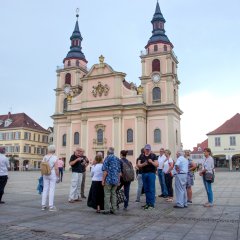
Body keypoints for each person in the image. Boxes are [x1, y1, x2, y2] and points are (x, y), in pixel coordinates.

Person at [137, 144, 158, 210]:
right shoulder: (141, 156)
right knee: (146, 189)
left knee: (151, 189)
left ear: (150, 149)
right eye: (146, 149)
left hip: (151, 174)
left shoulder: (153, 155)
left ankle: (151, 204)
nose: (147, 150)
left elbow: (157, 164)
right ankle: (147, 203)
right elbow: (138, 165)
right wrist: (144, 164)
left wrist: (151, 162)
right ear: (144, 149)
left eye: (148, 149)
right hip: (144, 173)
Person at [102, 147, 121, 214]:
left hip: (108, 180)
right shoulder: (117, 159)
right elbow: (119, 172)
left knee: (107, 194)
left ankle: (107, 209)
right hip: (115, 180)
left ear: (108, 152)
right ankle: (114, 209)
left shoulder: (107, 158)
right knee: (113, 194)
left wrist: (103, 180)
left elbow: (105, 171)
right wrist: (118, 181)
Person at [41, 145, 59, 211]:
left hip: (45, 174)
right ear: (54, 150)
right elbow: (56, 168)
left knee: (45, 189)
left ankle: (43, 205)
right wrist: (58, 176)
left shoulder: (44, 157)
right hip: (52, 173)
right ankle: (51, 206)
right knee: (52, 189)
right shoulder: (55, 157)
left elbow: (42, 166)